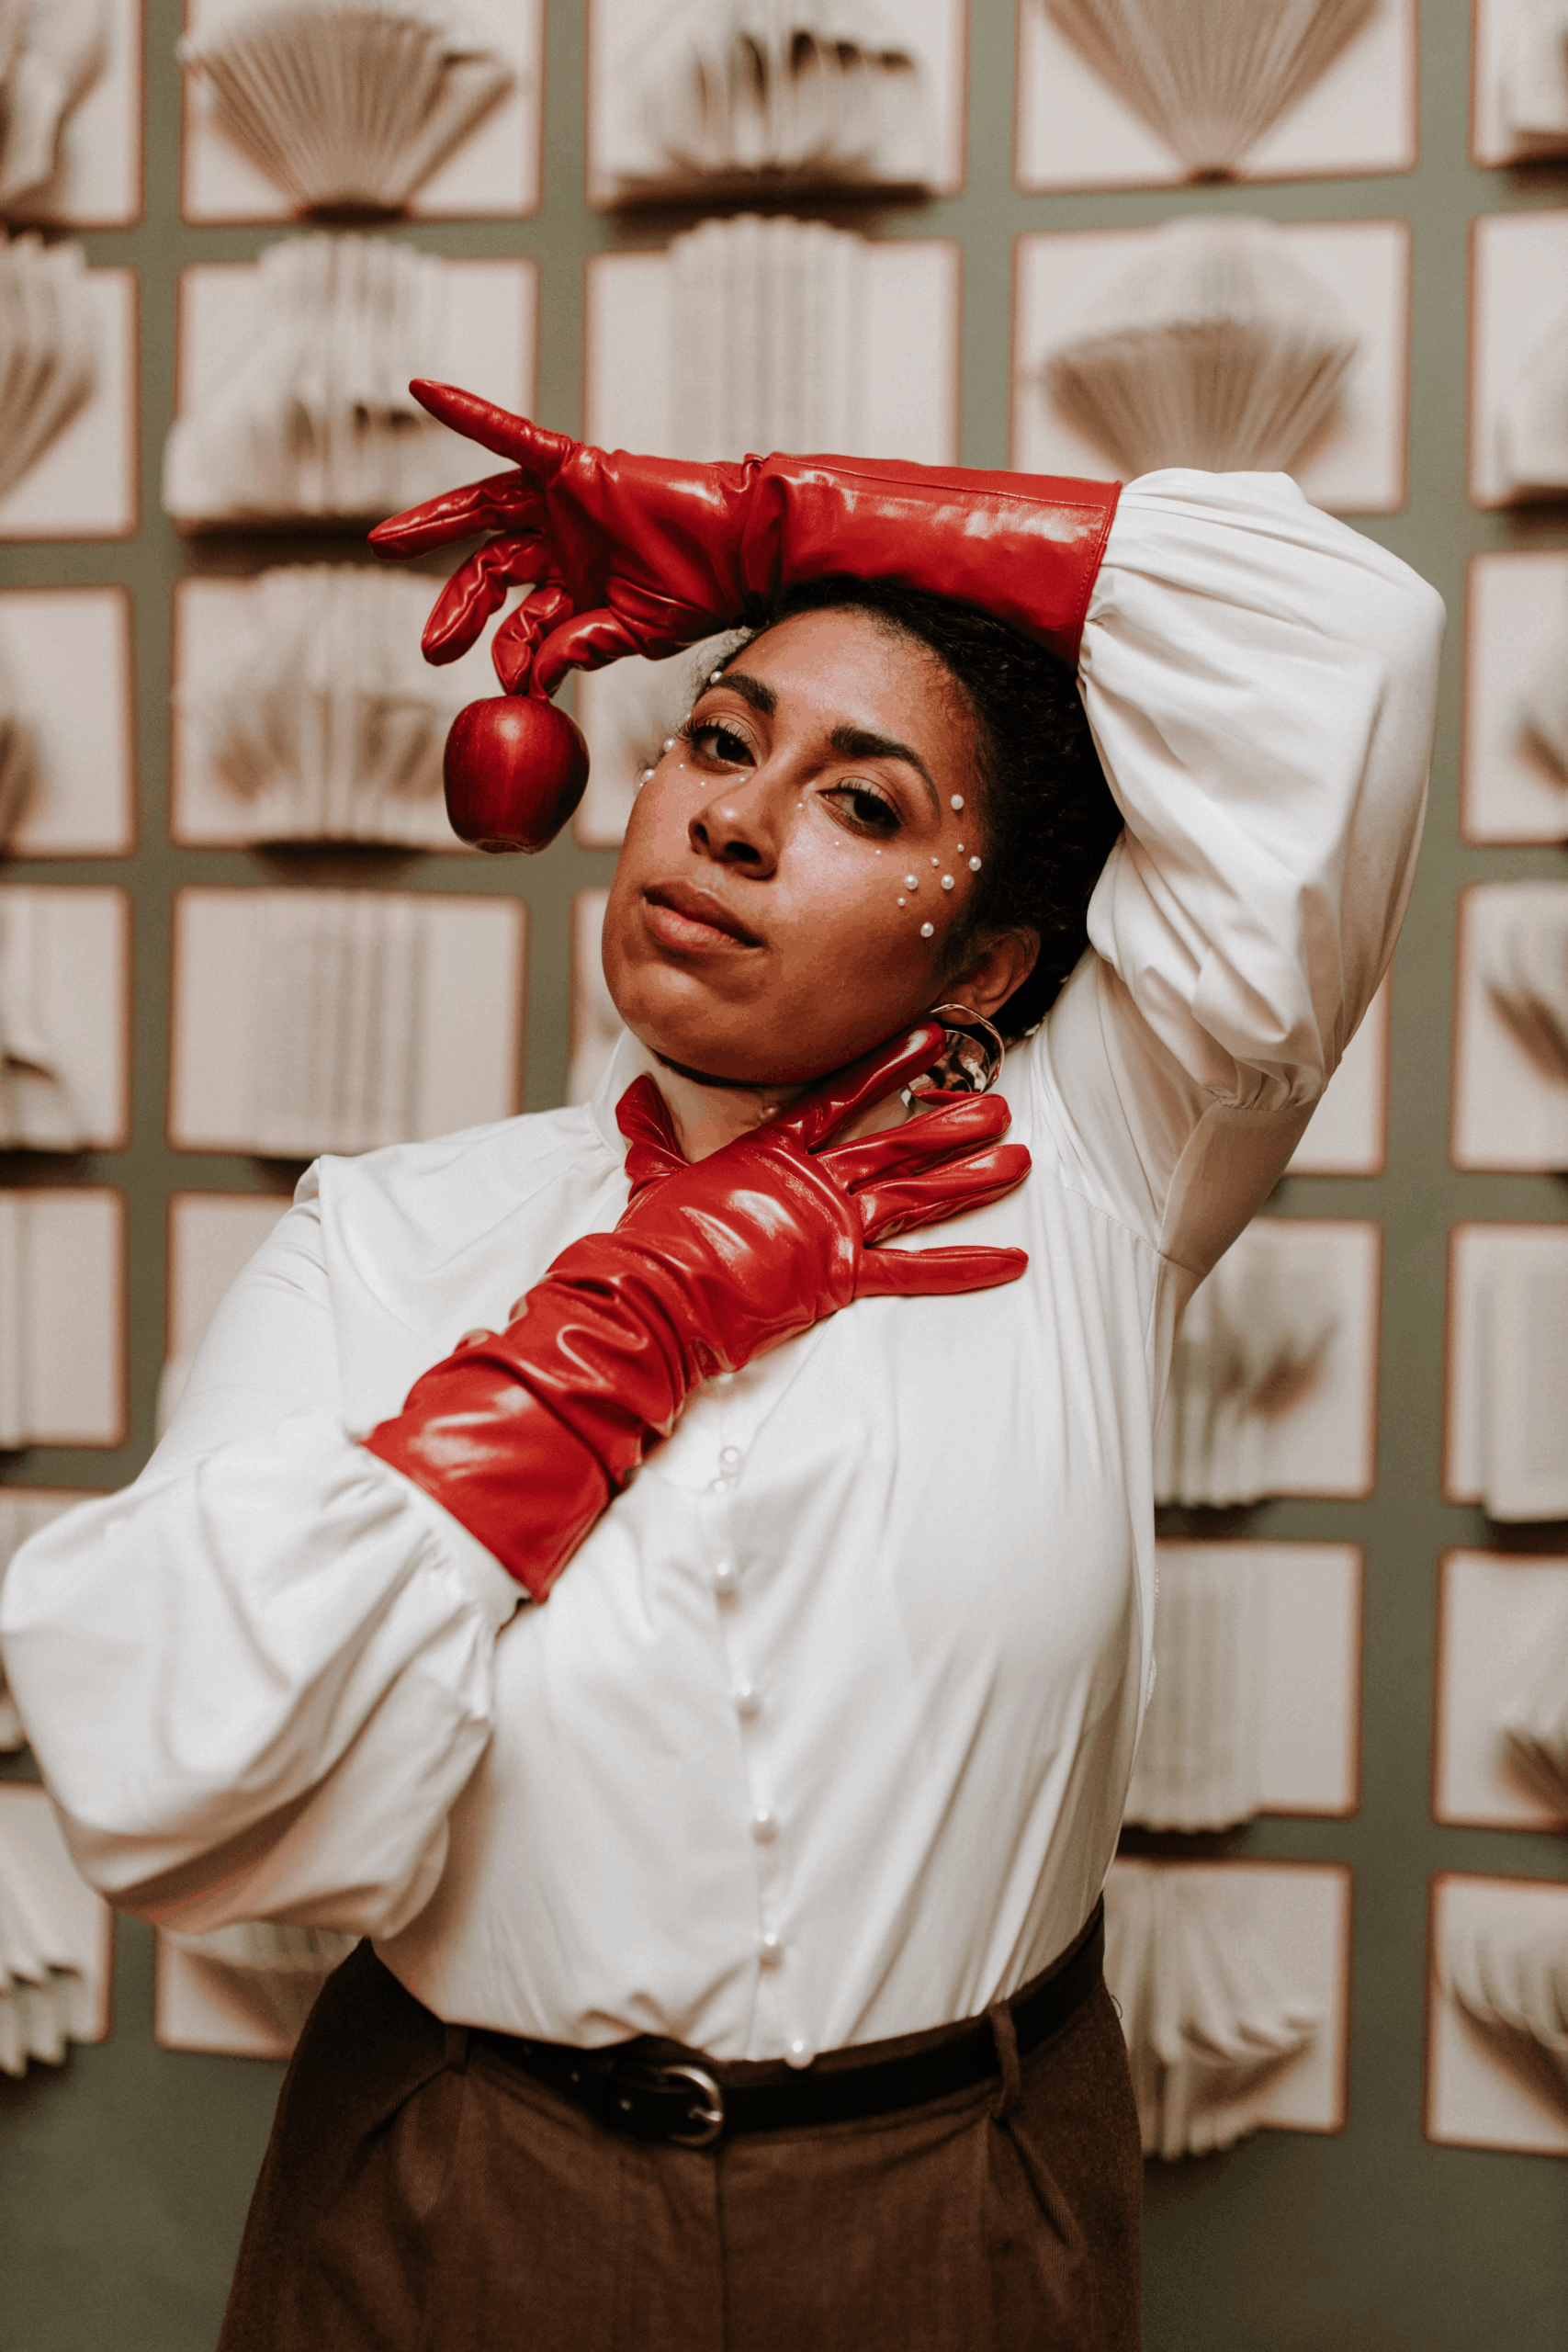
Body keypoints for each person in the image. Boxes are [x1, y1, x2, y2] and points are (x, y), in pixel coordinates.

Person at [0, 397, 1443, 2352]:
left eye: (865, 805)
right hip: (459, 2185)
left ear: (987, 966)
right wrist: (618, 1336)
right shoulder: (388, 1233)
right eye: (718, 737)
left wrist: (784, 524)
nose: (732, 820)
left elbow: (1349, 635)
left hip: (952, 2200)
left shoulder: (1103, 1161)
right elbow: (175, 1770)